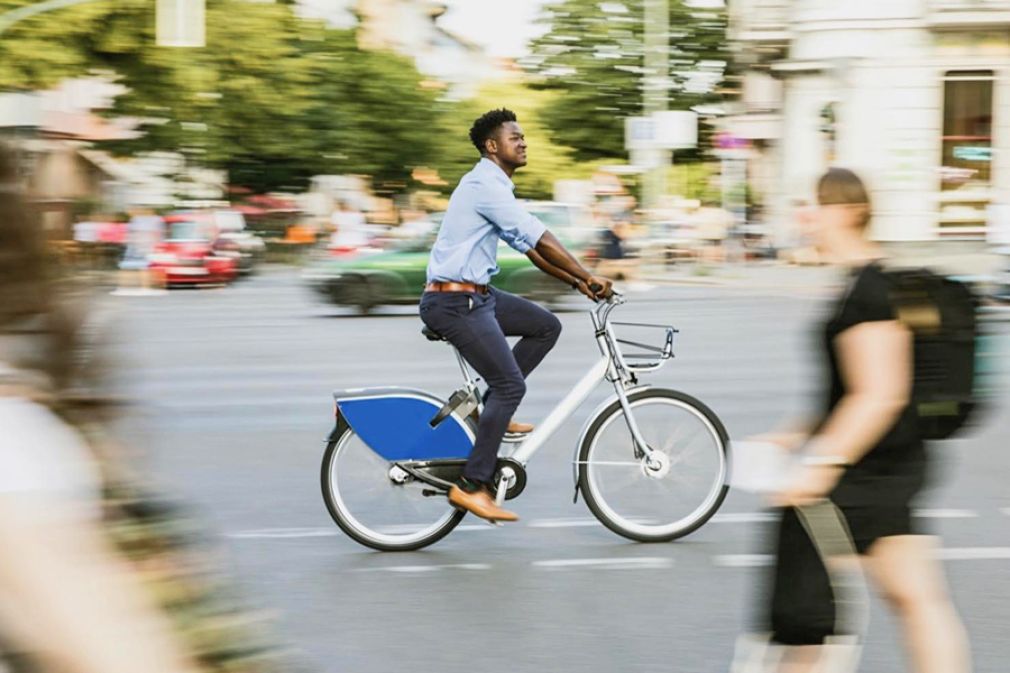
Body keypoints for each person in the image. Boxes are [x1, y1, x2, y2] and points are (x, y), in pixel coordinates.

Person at [751, 168, 971, 673]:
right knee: (915, 596)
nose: (804, 214)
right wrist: (796, 433)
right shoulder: (866, 282)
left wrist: (820, 467)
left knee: (805, 610)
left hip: (865, 470)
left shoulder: (870, 292)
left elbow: (880, 393)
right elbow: (850, 388)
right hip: (892, 461)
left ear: (850, 211)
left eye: (815, 203)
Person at [421, 108, 612, 523]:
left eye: (524, 137)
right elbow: (541, 236)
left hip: (477, 295)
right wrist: (588, 273)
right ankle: (473, 486)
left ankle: (495, 413)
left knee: (546, 326)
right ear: (493, 146)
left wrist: (577, 283)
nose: (523, 142)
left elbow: (530, 249)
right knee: (510, 385)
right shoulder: (483, 185)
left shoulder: (495, 187)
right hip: (455, 302)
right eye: (515, 137)